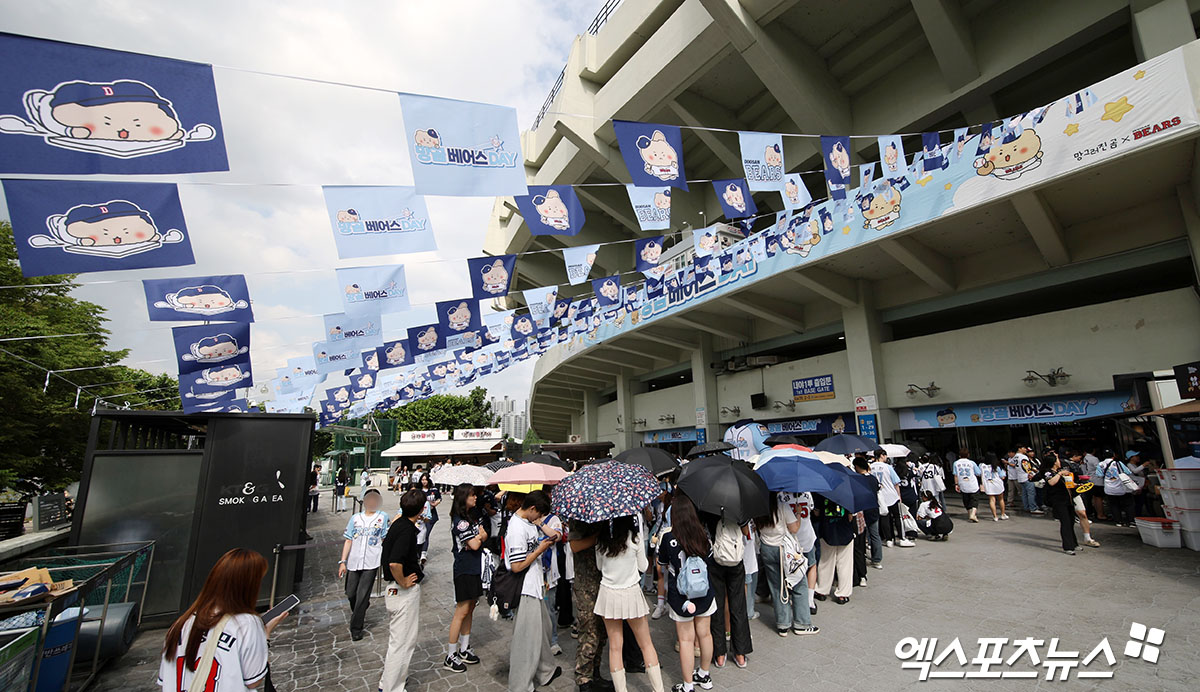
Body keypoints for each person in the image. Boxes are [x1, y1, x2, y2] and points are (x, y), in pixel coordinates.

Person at [158, 548, 287, 692]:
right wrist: (265, 634)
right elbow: (253, 681)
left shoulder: (180, 624)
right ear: (248, 587)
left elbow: (165, 680)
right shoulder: (247, 623)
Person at [594, 514, 663, 692]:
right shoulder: (635, 539)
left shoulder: (601, 542)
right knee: (646, 644)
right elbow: (642, 567)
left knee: (615, 648)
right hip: (631, 593)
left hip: (608, 594)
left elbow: (600, 567)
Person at [505, 490, 564, 692]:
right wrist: (539, 550)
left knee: (543, 629)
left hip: (536, 584)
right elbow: (517, 566)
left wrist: (541, 530)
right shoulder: (516, 528)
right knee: (526, 638)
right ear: (532, 509)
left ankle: (545, 670)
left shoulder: (529, 523)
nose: (539, 519)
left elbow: (555, 536)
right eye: (538, 515)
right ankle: (520, 685)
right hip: (525, 588)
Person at [657, 494, 715, 692]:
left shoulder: (668, 537)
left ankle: (688, 685)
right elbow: (710, 560)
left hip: (680, 596)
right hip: (704, 593)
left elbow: (662, 565)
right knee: (705, 634)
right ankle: (704, 675)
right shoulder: (703, 535)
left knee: (685, 640)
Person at [379, 489, 427, 692]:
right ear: (422, 509)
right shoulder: (406, 530)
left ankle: (392, 682)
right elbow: (394, 563)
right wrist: (404, 581)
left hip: (395, 590)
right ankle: (391, 688)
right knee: (403, 642)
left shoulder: (398, 524)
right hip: (402, 591)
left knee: (399, 640)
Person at [755, 491, 819, 637]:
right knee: (799, 583)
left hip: (766, 548)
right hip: (783, 549)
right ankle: (802, 623)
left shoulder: (758, 509)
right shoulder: (782, 506)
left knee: (776, 586)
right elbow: (794, 528)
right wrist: (797, 514)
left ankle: (783, 624)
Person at [570, 519, 617, 692]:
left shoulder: (605, 517)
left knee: (602, 630)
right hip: (586, 584)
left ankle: (595, 673)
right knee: (589, 629)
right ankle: (584, 678)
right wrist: (598, 537)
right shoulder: (579, 517)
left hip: (605, 580)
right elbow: (574, 546)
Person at [444, 484, 487, 673]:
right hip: (464, 568)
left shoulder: (473, 515)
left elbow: (484, 534)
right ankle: (451, 654)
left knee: (471, 607)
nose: (475, 498)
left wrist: (479, 537)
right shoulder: (459, 520)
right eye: (471, 495)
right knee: (461, 610)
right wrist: (478, 537)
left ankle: (464, 647)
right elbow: (474, 543)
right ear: (463, 498)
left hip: (476, 567)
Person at [701, 512, 752, 669]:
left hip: (715, 557)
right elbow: (746, 532)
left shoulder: (708, 504)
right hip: (735, 558)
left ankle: (719, 654)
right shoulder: (739, 504)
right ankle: (740, 654)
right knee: (738, 604)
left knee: (717, 605)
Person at [339, 488, 389, 640]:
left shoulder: (383, 517)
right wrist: (343, 562)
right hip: (354, 560)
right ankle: (360, 608)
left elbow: (385, 539)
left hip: (372, 560)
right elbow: (348, 540)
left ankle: (356, 628)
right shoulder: (355, 518)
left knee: (362, 595)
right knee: (351, 593)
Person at [813, 494, 855, 605]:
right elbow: (851, 516)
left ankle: (822, 591)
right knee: (845, 563)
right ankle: (843, 594)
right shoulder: (848, 491)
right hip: (845, 531)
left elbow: (816, 512)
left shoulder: (822, 490)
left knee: (825, 562)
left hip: (827, 531)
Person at [1038, 453, 1080, 555]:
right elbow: (1051, 482)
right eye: (1057, 460)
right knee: (1065, 522)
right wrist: (1060, 474)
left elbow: (1068, 484)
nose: (1059, 461)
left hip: (1068, 499)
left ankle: (1074, 543)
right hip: (1058, 501)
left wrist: (1077, 485)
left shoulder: (1058, 471)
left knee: (1070, 521)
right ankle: (1068, 547)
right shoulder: (1048, 472)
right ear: (1053, 462)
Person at [871, 452, 911, 547]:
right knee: (897, 517)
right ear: (882, 455)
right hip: (891, 495)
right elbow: (896, 482)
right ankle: (901, 538)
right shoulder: (887, 467)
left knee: (885, 517)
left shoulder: (871, 467)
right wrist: (899, 496)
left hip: (880, 496)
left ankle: (889, 539)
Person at [852, 458, 883, 574]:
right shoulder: (873, 479)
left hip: (862, 511)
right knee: (875, 535)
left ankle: (862, 557)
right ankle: (877, 559)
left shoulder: (856, 480)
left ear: (858, 466)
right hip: (874, 509)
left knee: (861, 537)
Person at [1099, 451, 1134, 527]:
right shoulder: (1118, 463)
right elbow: (1128, 472)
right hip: (1120, 486)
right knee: (1128, 504)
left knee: (1114, 504)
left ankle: (1118, 521)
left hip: (1109, 487)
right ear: (1113, 456)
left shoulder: (1100, 464)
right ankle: (1130, 521)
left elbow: (1099, 474)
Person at [952, 453, 982, 523]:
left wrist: (956, 484)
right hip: (972, 483)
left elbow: (955, 475)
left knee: (966, 500)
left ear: (959, 456)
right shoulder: (971, 463)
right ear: (968, 455)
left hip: (962, 484)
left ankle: (970, 514)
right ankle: (973, 514)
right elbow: (978, 473)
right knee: (974, 499)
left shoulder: (956, 463)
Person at [418, 474, 442, 558]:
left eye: (425, 480)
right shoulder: (418, 490)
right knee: (419, 534)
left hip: (431, 515)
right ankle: (418, 550)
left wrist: (436, 503)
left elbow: (439, 498)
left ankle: (423, 552)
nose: (424, 481)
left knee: (426, 533)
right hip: (419, 516)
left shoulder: (434, 490)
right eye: (422, 480)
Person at [980, 454, 1008, 521]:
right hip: (997, 484)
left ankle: (995, 516)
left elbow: (978, 473)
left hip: (988, 484)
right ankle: (1003, 514)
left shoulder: (981, 466)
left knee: (992, 500)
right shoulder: (996, 467)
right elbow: (1002, 476)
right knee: (1001, 499)